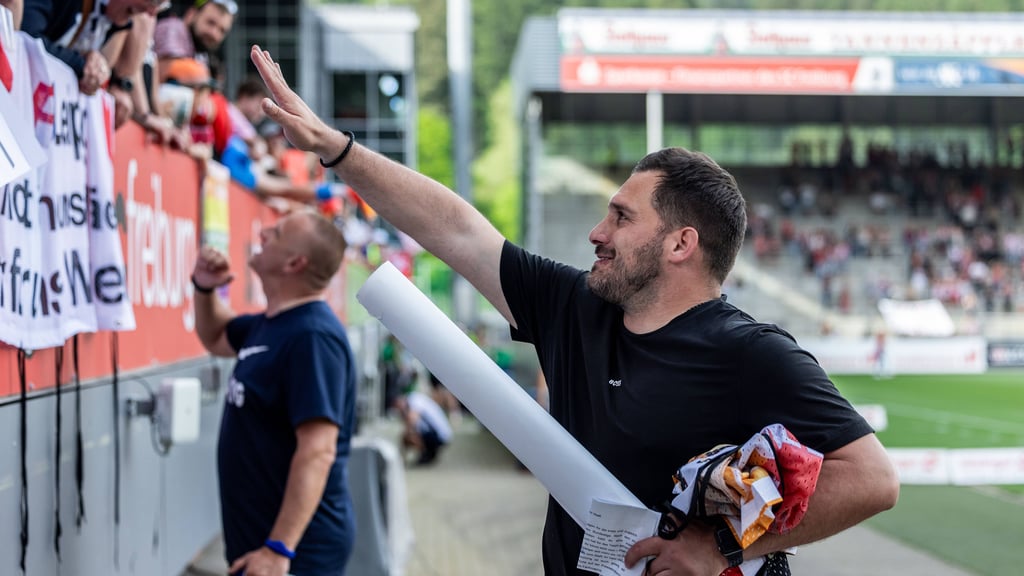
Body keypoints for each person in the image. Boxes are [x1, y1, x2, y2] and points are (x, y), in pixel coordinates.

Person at [250, 45, 900, 576]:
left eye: (620, 216)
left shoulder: (750, 352)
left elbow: (871, 479)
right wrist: (337, 150)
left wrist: (719, 547)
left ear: (681, 244)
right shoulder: (574, 305)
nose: (597, 231)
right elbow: (457, 231)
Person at [191, 209, 356, 576]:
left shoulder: (312, 338)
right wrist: (205, 288)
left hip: (295, 554)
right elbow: (216, 337)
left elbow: (318, 451)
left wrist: (279, 548)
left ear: (295, 262)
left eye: (277, 233)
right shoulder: (272, 323)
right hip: (260, 545)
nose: (263, 233)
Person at [393, 377, 453, 466]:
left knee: (407, 436)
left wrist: (407, 434)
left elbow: (412, 419)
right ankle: (428, 453)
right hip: (437, 433)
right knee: (409, 434)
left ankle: (426, 452)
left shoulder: (414, 399)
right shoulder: (412, 402)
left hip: (440, 435)